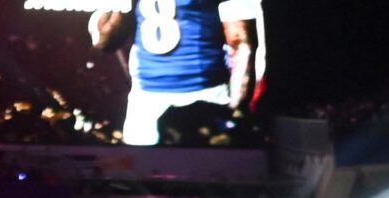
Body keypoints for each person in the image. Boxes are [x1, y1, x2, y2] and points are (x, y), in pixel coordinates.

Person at [90, 0, 263, 146]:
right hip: (147, 98)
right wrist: (237, 110)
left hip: (206, 94)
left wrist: (236, 111)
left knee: (210, 175)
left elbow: (242, 44)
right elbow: (106, 42)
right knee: (141, 178)